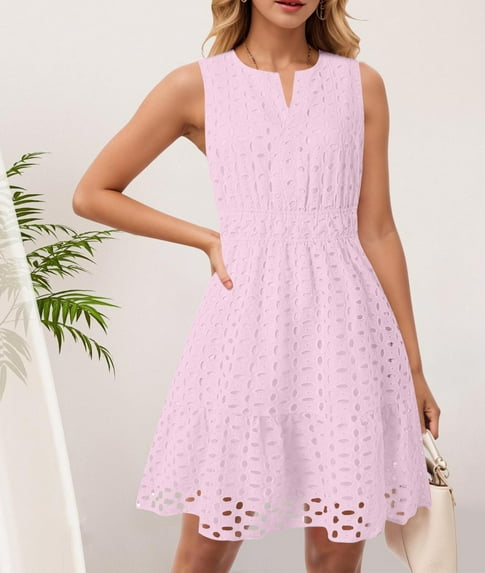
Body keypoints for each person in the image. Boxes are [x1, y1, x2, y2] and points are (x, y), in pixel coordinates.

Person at [72, 0, 441, 571]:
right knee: (204, 551)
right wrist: (206, 238)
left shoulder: (361, 85)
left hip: (345, 330)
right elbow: (93, 193)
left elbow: (378, 229)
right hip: (244, 326)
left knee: (336, 550)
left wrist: (413, 368)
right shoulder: (194, 86)